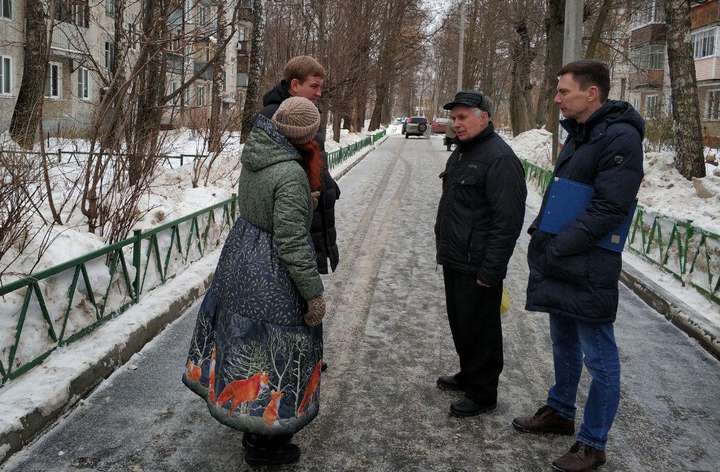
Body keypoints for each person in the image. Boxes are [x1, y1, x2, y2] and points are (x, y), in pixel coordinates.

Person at [513, 60, 644, 472]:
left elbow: (610, 207)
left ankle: (592, 442)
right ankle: (560, 410)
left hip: (588, 262)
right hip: (565, 258)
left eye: (563, 91)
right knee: (563, 340)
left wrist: (561, 245)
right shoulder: (582, 134)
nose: (556, 98)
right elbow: (564, 192)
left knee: (598, 355)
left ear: (592, 94)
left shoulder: (619, 138)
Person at [183, 97, 328, 467]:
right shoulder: (291, 175)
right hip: (274, 274)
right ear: (306, 135)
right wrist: (313, 295)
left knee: (245, 338)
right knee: (281, 347)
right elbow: (293, 243)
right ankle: (269, 445)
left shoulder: (258, 153)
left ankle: (251, 431)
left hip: (241, 261)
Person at [434, 91, 527, 417]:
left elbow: (508, 220)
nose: (456, 124)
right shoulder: (462, 153)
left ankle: (484, 392)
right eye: (453, 117)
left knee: (482, 328)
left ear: (484, 117)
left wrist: (492, 269)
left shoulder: (499, 159)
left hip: (479, 263)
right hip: (457, 256)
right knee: (462, 322)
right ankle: (468, 374)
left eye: (463, 117)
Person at [261, 55, 341, 276]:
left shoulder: (303, 112)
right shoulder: (278, 117)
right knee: (296, 285)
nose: (319, 93)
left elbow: (311, 160)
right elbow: (278, 173)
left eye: (320, 87)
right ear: (295, 85)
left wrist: (328, 185)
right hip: (293, 223)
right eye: (313, 86)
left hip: (309, 215)